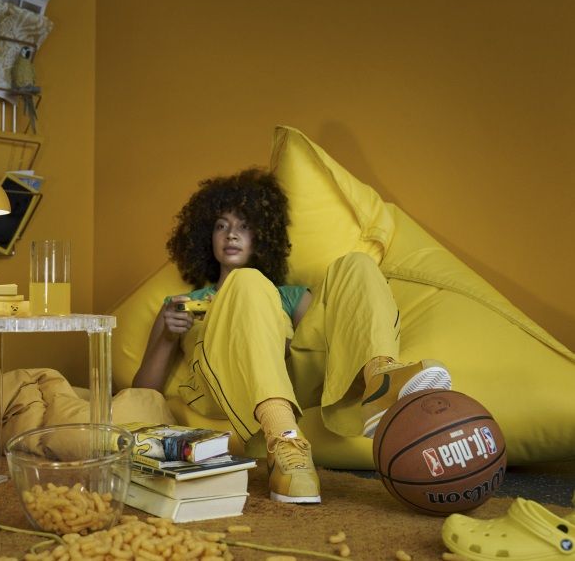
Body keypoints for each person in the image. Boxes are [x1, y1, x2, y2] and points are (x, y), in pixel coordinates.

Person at [132, 167, 451, 504]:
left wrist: (269, 339)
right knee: (246, 282)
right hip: (221, 387)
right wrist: (166, 335)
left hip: (288, 380)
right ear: (206, 237)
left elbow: (320, 348)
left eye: (244, 226)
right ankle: (283, 438)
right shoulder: (181, 305)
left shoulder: (291, 296)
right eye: (221, 226)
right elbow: (142, 391)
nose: (231, 235)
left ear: (262, 236)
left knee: (355, 265)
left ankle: (380, 378)